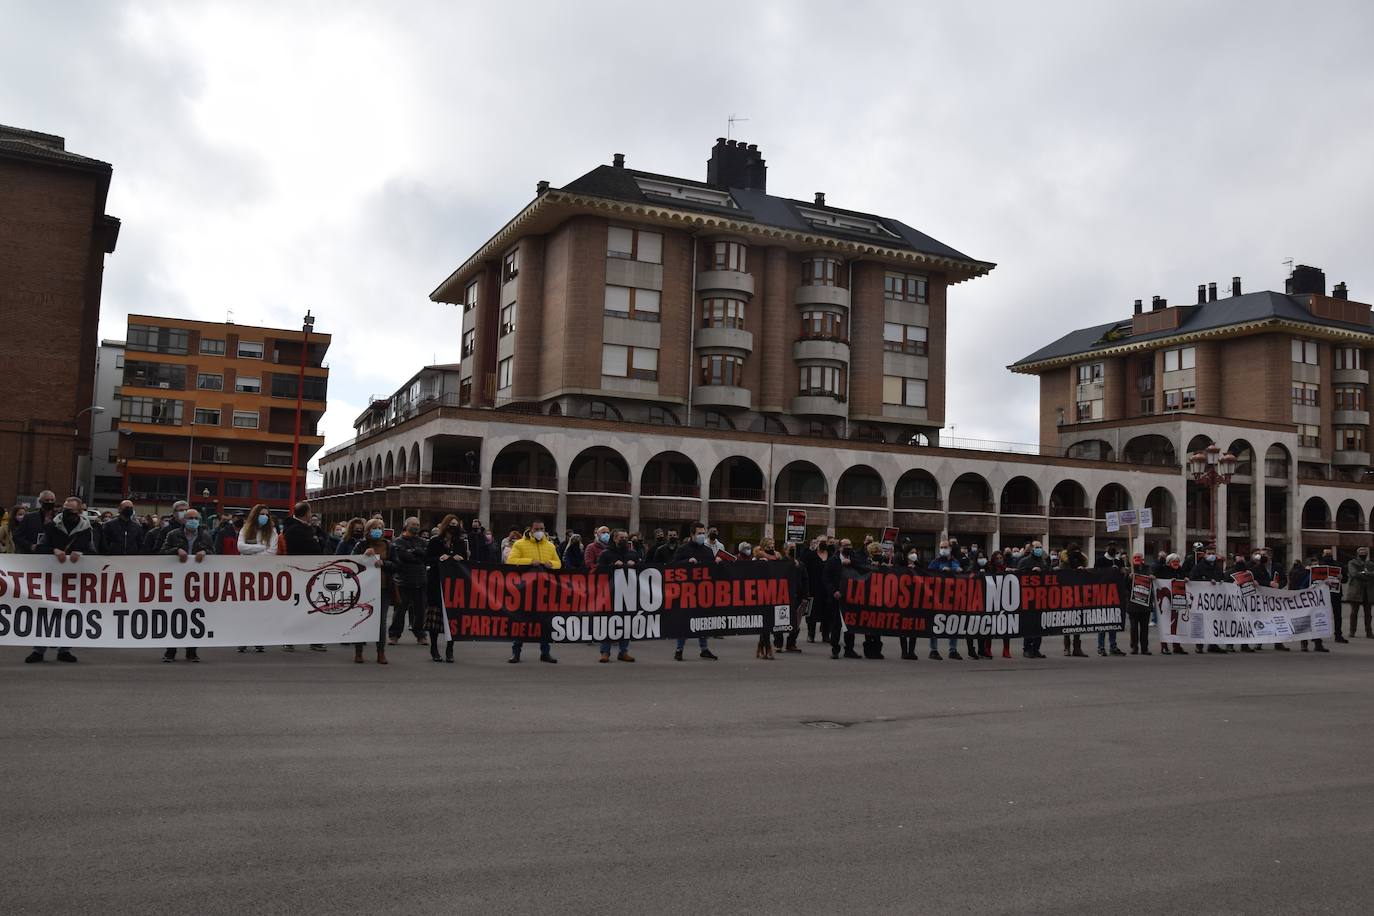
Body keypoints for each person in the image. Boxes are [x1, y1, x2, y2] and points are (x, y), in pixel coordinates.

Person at [23, 495, 93, 664]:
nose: (67, 514)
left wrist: (81, 553)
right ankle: (39, 650)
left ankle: (65, 649)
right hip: (50, 576)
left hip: (72, 579)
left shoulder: (87, 529)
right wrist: (53, 550)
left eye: (71, 511)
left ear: (80, 512)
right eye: (65, 510)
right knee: (45, 613)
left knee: (69, 613)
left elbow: (95, 552)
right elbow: (39, 548)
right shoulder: (52, 526)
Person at [160, 507, 215, 662]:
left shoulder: (205, 536)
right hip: (176, 582)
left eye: (196, 519)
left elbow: (215, 554)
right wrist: (176, 550)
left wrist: (205, 553)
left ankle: (192, 651)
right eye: (190, 518)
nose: (193, 521)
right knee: (173, 616)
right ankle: (170, 651)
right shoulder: (173, 535)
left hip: (196, 584)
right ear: (184, 520)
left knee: (195, 617)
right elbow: (161, 553)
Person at [505, 519, 560, 663]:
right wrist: (530, 561)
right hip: (525, 590)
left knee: (545, 622)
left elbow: (559, 563)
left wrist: (551, 564)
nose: (539, 531)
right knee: (521, 621)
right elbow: (511, 561)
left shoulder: (550, 546)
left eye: (541, 528)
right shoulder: (519, 544)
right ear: (531, 529)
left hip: (544, 590)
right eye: (536, 529)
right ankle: (516, 653)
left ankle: (545, 653)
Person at [670, 522, 720, 661]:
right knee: (685, 621)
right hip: (687, 591)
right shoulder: (683, 549)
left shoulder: (708, 550)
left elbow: (712, 570)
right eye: (699, 533)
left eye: (703, 533)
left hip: (703, 591)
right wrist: (686, 561)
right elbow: (672, 566)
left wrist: (716, 563)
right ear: (692, 534)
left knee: (703, 620)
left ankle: (704, 649)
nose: (702, 536)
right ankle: (679, 649)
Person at [234, 504, 278, 653]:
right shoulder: (246, 529)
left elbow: (272, 552)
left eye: (267, 514)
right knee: (245, 609)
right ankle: (243, 639)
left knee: (261, 609)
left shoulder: (272, 532)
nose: (264, 516)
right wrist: (260, 548)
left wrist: (252, 555)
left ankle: (259, 639)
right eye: (261, 514)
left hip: (264, 575)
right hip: (246, 574)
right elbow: (240, 547)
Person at [426, 514, 467, 663]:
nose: (453, 528)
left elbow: (466, 563)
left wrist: (461, 559)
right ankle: (434, 648)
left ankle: (450, 648)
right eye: (451, 525)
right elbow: (427, 559)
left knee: (452, 617)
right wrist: (439, 559)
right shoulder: (435, 541)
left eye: (456, 525)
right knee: (435, 617)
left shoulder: (461, 543)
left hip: (453, 584)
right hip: (437, 583)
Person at [354, 519, 394, 664]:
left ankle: (381, 652)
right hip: (365, 588)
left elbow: (397, 564)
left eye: (380, 528)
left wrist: (384, 563)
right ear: (368, 530)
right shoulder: (361, 545)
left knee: (381, 622)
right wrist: (365, 555)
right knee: (362, 618)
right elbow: (353, 562)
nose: (377, 530)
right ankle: (359, 652)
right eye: (374, 528)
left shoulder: (389, 545)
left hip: (384, 588)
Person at [596, 529, 640, 663]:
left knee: (626, 623)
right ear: (614, 539)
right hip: (610, 593)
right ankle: (605, 652)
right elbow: (599, 571)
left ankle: (623, 651)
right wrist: (611, 566)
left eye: (626, 537)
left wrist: (635, 565)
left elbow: (642, 572)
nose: (624, 540)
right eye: (621, 537)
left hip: (628, 593)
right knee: (608, 623)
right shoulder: (606, 554)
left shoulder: (633, 553)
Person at [824, 537, 870, 660]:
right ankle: (835, 649)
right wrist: (834, 591)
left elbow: (864, 568)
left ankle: (849, 649)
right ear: (840, 547)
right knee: (836, 625)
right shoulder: (833, 560)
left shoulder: (854, 558)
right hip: (837, 597)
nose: (848, 547)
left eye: (850, 545)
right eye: (845, 545)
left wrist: (852, 563)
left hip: (851, 597)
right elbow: (826, 578)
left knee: (850, 624)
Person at [391, 516, 430, 647]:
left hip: (420, 580)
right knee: (400, 610)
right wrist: (416, 554)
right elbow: (402, 556)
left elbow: (426, 556)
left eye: (418, 525)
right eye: (413, 524)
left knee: (420, 610)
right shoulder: (398, 541)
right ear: (406, 525)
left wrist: (414, 554)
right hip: (403, 581)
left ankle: (421, 635)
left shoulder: (423, 542)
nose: (416, 527)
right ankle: (394, 635)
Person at [1189, 544, 1230, 654]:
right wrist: (1207, 581)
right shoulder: (1198, 567)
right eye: (1209, 554)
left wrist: (1221, 581)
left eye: (1213, 554)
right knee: (1201, 622)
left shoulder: (1217, 567)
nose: (1211, 555)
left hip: (1215, 601)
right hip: (1202, 601)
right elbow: (1193, 580)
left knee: (1213, 622)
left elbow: (1222, 578)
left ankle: (1213, 644)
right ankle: (1199, 645)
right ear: (1204, 555)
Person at [927, 540, 962, 659]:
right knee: (935, 624)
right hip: (937, 598)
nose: (943, 549)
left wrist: (952, 571)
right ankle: (933, 650)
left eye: (945, 547)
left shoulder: (954, 561)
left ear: (950, 549)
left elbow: (958, 571)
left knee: (953, 622)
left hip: (952, 598)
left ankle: (953, 650)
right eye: (941, 547)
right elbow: (928, 575)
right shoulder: (935, 562)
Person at [773, 542, 808, 654]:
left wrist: (805, 596)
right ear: (785, 550)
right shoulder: (780, 563)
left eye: (794, 548)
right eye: (791, 548)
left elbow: (805, 580)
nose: (793, 550)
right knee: (779, 620)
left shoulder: (801, 564)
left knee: (796, 622)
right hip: (782, 596)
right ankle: (778, 644)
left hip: (797, 596)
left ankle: (791, 644)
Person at [1017, 540, 1050, 658]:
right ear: (1031, 548)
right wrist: (1030, 572)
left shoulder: (1043, 562)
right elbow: (1018, 576)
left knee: (1038, 625)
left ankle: (1036, 648)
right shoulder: (1024, 561)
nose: (1039, 549)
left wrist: (1042, 572)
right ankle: (1027, 648)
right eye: (1037, 547)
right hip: (1028, 598)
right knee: (1029, 624)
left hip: (1040, 597)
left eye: (1040, 547)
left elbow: (1049, 575)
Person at [1093, 545, 1126, 657]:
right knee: (1103, 622)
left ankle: (1113, 646)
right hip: (1103, 594)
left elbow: (1123, 576)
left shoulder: (1119, 561)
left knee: (1113, 621)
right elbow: (1096, 574)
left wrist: (1123, 572)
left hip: (1115, 594)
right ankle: (1101, 647)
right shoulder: (1100, 560)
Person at [1291, 559, 1329, 653]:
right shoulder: (1304, 573)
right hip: (1305, 600)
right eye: (1314, 565)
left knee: (1317, 621)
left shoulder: (1321, 575)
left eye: (1317, 564)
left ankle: (1318, 644)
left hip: (1316, 602)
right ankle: (1304, 644)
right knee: (1304, 622)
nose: (1316, 566)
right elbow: (1300, 584)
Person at [802, 536, 833, 645]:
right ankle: (811, 634)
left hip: (827, 589)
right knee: (812, 613)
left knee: (827, 612)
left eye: (825, 542)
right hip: (813, 588)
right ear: (817, 543)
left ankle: (826, 634)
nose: (823, 544)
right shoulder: (810, 556)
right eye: (821, 542)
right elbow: (804, 570)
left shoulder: (831, 556)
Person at [14, 490, 58, 554]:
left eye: (52, 500)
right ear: (40, 502)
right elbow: (17, 536)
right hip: (32, 555)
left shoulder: (58, 518)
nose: (50, 502)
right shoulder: (29, 517)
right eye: (47, 500)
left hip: (52, 555)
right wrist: (30, 546)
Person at [1347, 547, 1374, 639]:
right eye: (1361, 552)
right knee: (1354, 613)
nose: (1363, 554)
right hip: (1356, 591)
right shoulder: (1352, 562)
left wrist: (1363, 573)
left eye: (1365, 552)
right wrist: (1368, 574)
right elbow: (1354, 573)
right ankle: (1352, 631)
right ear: (1357, 553)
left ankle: (1369, 632)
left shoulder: (1370, 564)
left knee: (1368, 614)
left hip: (1368, 592)